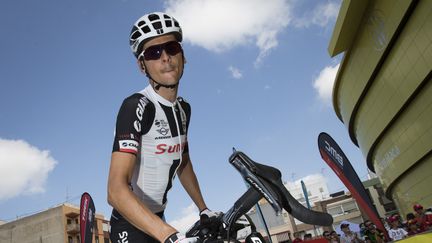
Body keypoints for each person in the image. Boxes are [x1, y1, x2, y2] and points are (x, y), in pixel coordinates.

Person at [107, 12, 217, 243]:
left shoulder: (183, 109)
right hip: (130, 222)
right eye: (153, 53)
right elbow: (115, 191)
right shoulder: (137, 106)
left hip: (158, 218)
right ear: (142, 66)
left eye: (172, 48)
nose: (165, 57)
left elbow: (182, 161)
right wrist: (169, 236)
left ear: (183, 56)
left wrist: (203, 209)